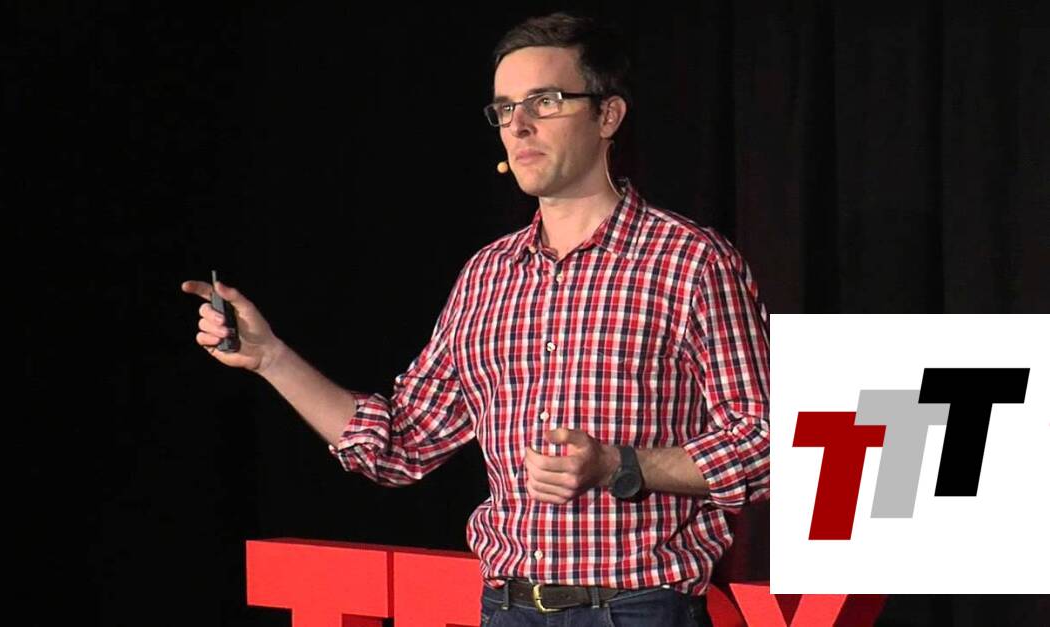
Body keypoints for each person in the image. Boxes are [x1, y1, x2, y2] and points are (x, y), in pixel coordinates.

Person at [183, 11, 768, 626]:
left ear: (608, 116)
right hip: (506, 607)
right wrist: (271, 358)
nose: (519, 125)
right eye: (505, 108)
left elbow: (763, 444)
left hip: (637, 609)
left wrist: (620, 465)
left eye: (545, 101)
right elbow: (399, 443)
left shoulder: (691, 261)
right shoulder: (487, 276)